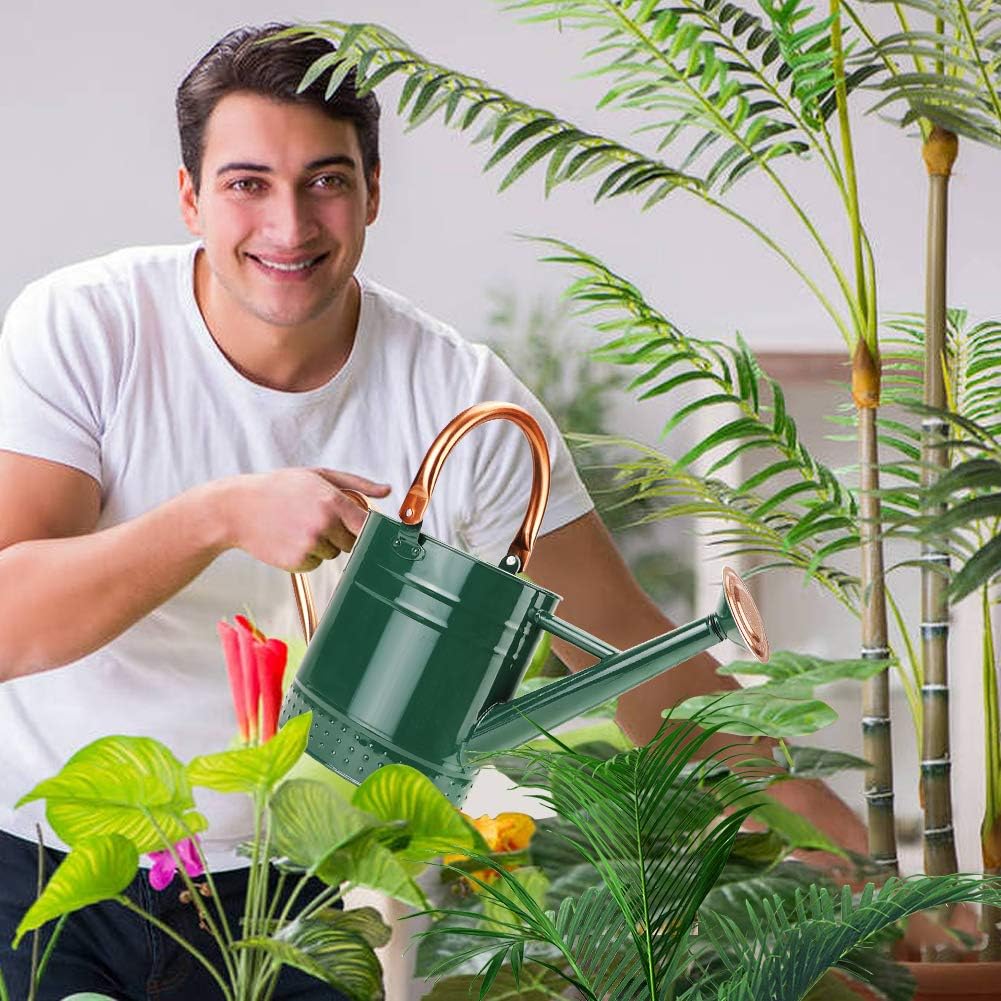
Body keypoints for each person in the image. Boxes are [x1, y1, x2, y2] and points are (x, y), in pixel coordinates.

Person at [0, 22, 870, 1000]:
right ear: (190, 197)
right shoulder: (88, 329)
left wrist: (863, 870)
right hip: (44, 866)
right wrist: (216, 515)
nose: (289, 225)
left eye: (326, 180)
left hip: (307, 895)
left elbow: (633, 657)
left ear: (373, 192)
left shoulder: (460, 400)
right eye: (248, 183)